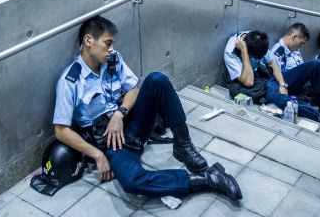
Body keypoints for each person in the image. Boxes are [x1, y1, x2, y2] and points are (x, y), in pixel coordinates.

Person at [52, 16, 242, 201]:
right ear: (88, 41)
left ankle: (183, 145)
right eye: (107, 43)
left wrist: (120, 113)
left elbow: (134, 89)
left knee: (156, 80)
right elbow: (61, 131)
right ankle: (209, 179)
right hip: (113, 144)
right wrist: (97, 155)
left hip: (131, 124)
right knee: (132, 182)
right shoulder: (70, 81)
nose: (112, 49)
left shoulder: (113, 59)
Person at [222, 25, 320, 135]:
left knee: (316, 65)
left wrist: (282, 84)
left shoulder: (255, 38)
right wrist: (245, 53)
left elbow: (273, 65)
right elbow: (248, 82)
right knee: (283, 101)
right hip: (258, 84)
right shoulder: (232, 52)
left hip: (269, 77)